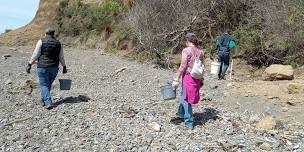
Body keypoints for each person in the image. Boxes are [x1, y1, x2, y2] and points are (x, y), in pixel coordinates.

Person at [26, 28, 67, 109]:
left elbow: (36, 54)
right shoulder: (58, 43)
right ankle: (43, 99)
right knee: (47, 84)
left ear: (45, 33)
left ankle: (48, 102)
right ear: (53, 34)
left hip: (42, 67)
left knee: (44, 84)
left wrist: (29, 63)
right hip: (54, 67)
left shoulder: (41, 41)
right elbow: (61, 57)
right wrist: (64, 67)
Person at [172, 33, 205, 129]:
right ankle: (181, 113)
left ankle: (189, 122)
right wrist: (202, 79)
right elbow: (203, 66)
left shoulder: (186, 50)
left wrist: (176, 78)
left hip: (188, 77)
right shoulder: (200, 51)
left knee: (187, 99)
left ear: (187, 40)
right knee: (184, 94)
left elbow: (183, 66)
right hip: (197, 77)